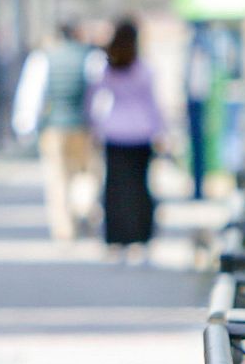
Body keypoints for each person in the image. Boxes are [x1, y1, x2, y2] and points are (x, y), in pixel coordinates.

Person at [12, 22, 102, 240]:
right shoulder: (91, 56)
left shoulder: (43, 58)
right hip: (84, 126)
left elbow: (31, 94)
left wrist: (25, 126)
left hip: (54, 127)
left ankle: (64, 228)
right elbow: (100, 95)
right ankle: (83, 207)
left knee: (57, 178)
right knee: (86, 174)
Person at [88, 19, 164, 261]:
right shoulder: (143, 69)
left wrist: (94, 126)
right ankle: (139, 235)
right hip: (140, 132)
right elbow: (153, 104)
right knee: (139, 187)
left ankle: (116, 236)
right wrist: (161, 131)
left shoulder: (108, 67)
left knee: (116, 187)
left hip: (115, 132)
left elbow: (93, 98)